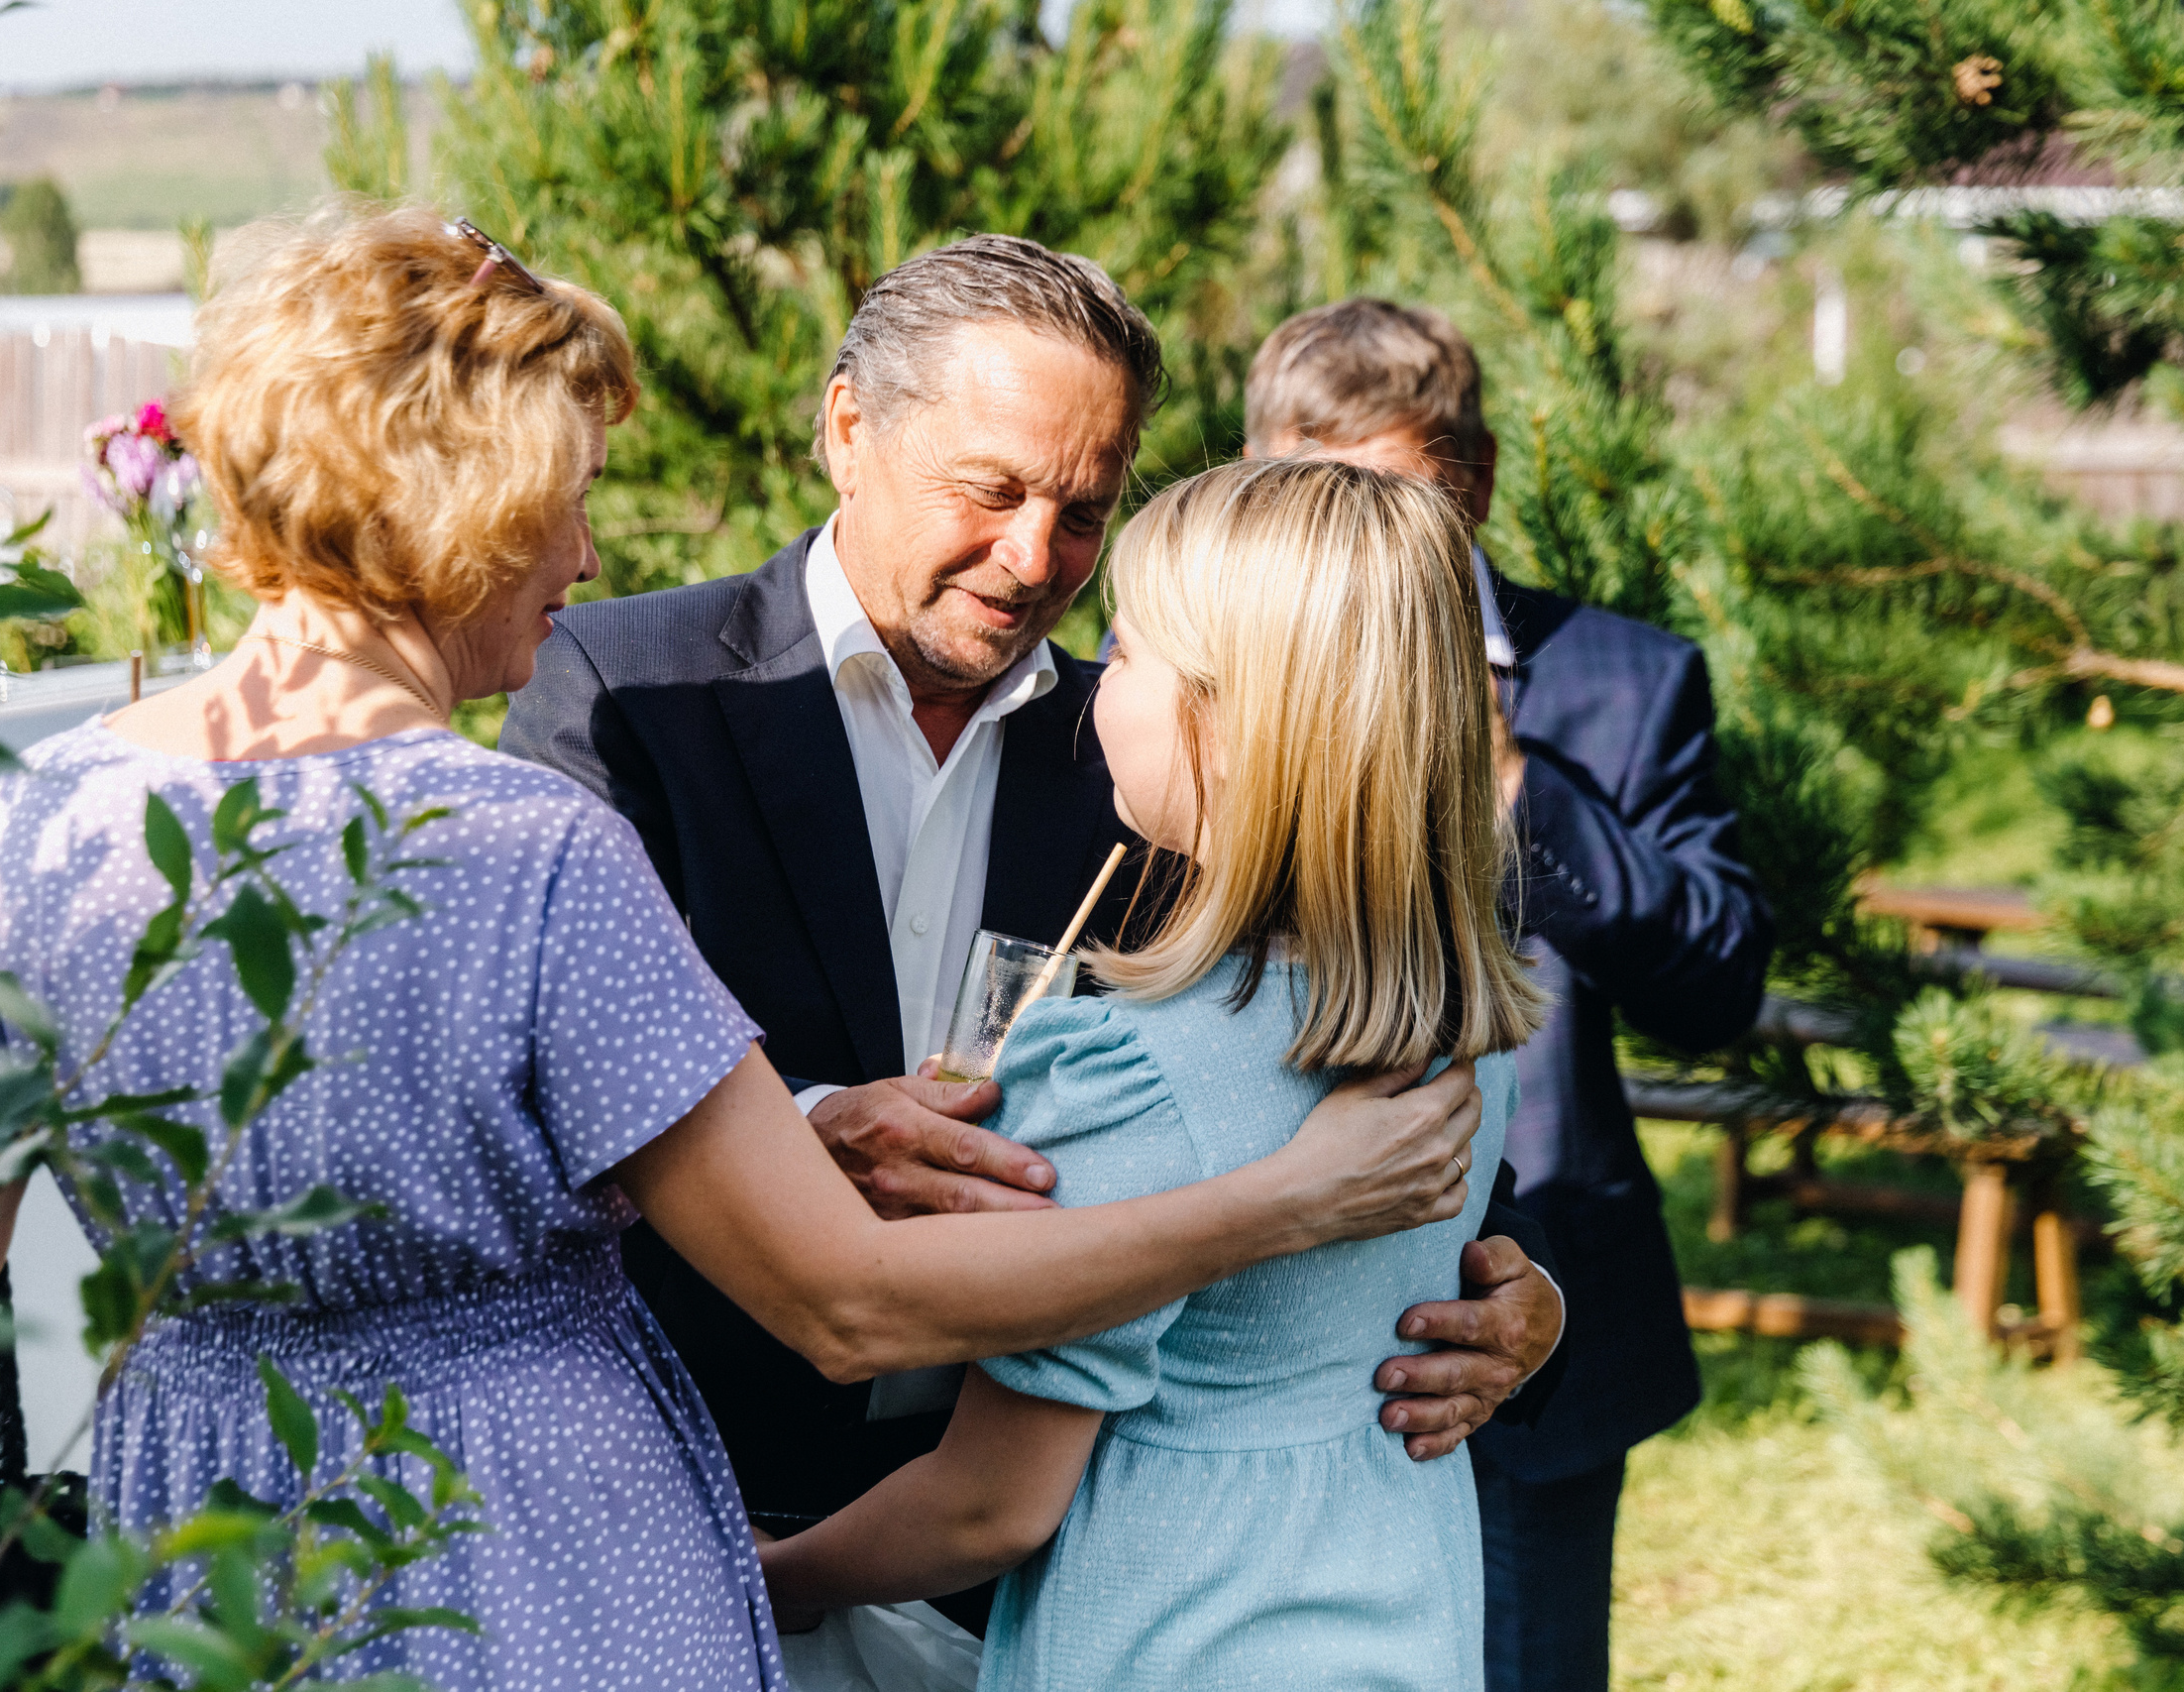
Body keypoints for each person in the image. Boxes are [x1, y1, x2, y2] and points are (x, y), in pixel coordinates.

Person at [0, 209, 1488, 1692]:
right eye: (567, 499)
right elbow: (845, 1304)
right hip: (535, 1565)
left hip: (207, 1561)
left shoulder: (46, 823)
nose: (582, 556)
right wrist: (1285, 1203)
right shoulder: (523, 847)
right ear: (466, 503)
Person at [500, 235, 1570, 1629]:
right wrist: (808, 1122)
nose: (1033, 559)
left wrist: (1523, 1288)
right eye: (992, 489)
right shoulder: (623, 687)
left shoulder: (1168, 744)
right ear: (847, 429)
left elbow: (1340, 1071)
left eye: (1083, 509)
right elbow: (538, 1089)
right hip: (695, 1507)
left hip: (1051, 1564)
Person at [758, 455, 1544, 1689]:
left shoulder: (1123, 1068)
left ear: (1231, 722)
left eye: (1122, 656)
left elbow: (990, 1507)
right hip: (1402, 1634)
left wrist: (769, 1579)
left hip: (1171, 1642)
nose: (1089, 693)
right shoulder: (1459, 1025)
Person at [1242, 298, 1773, 1692]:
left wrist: (1517, 782)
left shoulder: (1624, 678)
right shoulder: (1184, 670)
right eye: (1318, 502)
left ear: (1468, 482)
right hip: (1235, 1323)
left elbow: (1719, 985)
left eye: (1396, 502)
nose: (1360, 552)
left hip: (1530, 1335)